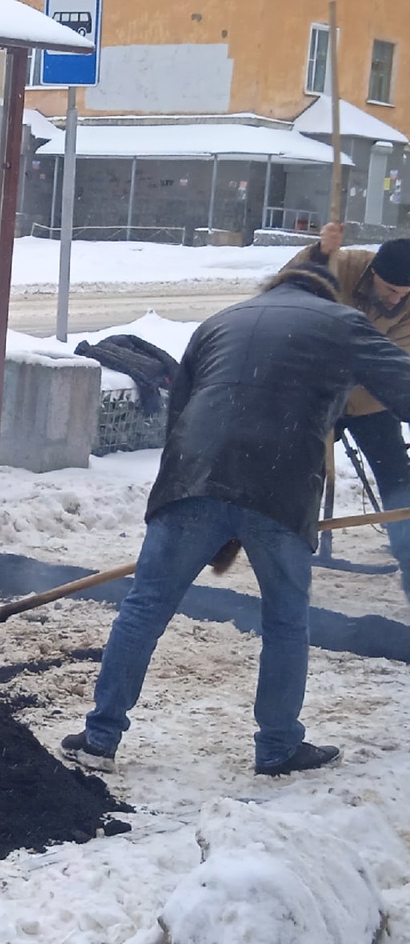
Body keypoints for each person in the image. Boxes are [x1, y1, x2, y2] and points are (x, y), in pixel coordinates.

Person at [61, 263, 410, 777]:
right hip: (280, 484)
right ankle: (277, 747)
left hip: (194, 475)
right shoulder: (342, 323)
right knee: (287, 620)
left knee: (144, 608)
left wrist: (202, 503)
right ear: (327, 293)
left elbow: (179, 411)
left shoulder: (221, 321)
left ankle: (99, 738)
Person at [288, 226, 410, 596]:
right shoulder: (344, 264)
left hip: (371, 397)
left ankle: (407, 555)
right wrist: (318, 254)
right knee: (296, 473)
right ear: (373, 272)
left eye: (404, 294)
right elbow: (289, 285)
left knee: (398, 481)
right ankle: (289, 553)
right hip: (313, 392)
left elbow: (394, 363)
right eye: (390, 290)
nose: (395, 300)